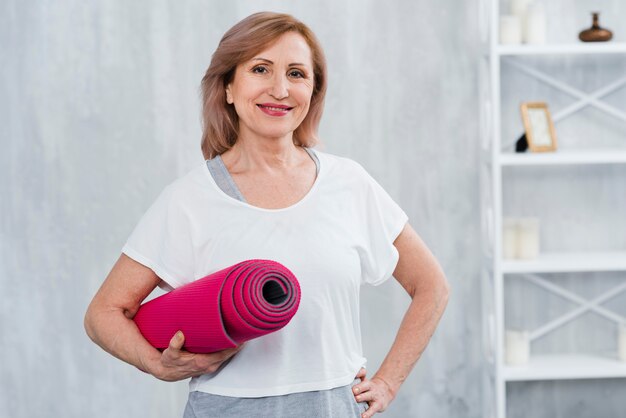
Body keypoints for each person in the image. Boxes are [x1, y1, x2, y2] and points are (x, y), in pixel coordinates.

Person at [84, 11, 449, 418]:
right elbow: (104, 313)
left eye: (297, 74)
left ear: (313, 90)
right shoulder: (188, 199)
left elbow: (431, 285)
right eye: (261, 69)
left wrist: (387, 382)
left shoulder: (349, 183)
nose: (280, 89)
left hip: (331, 407)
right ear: (227, 87)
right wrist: (154, 363)